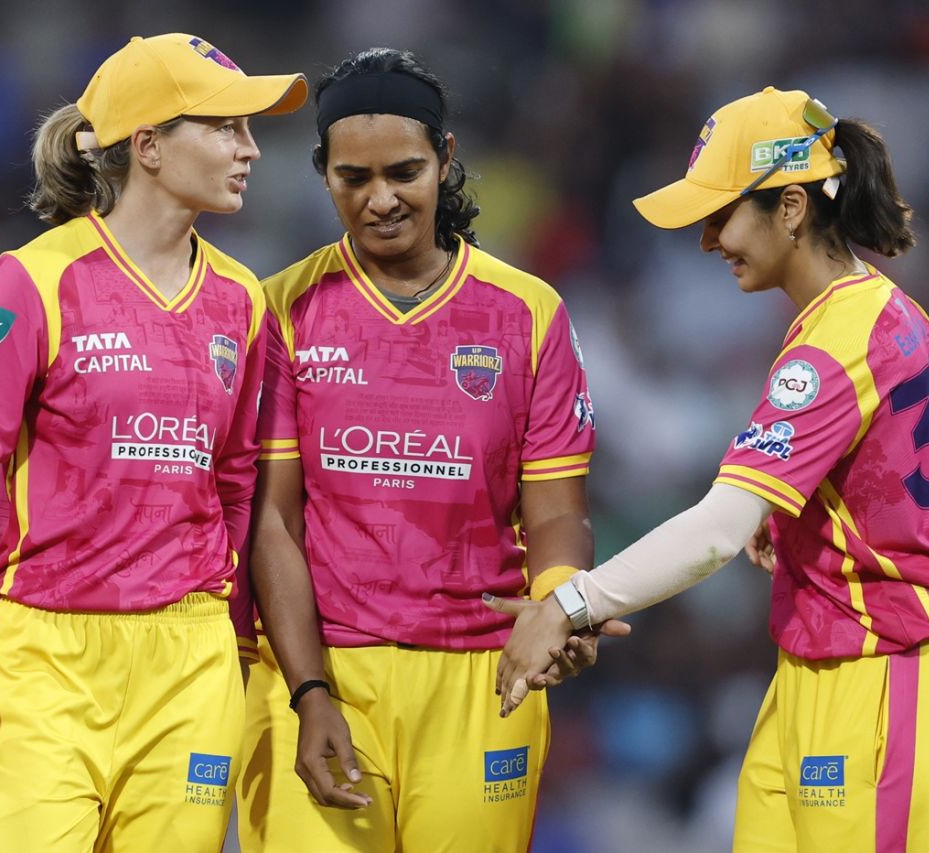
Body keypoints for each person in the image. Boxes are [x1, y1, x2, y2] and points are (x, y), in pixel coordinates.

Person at [489, 86, 929, 853]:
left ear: (790, 207)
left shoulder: (832, 345)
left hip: (890, 682)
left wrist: (569, 604)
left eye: (721, 213)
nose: (707, 240)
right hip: (818, 675)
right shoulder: (890, 312)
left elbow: (715, 533)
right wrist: (805, 513)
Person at [0, 33, 306, 851]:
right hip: (46, 659)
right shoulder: (35, 278)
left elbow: (233, 487)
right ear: (150, 145)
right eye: (227, 128)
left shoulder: (242, 299)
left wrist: (233, 649)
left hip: (191, 662)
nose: (250, 149)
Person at [237, 47, 624, 853]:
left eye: (405, 172)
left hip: (483, 682)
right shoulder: (280, 309)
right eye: (353, 178)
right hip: (322, 675)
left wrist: (557, 601)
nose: (380, 199)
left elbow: (556, 509)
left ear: (446, 161)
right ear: (324, 175)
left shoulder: (529, 313)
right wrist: (309, 691)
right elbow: (270, 521)